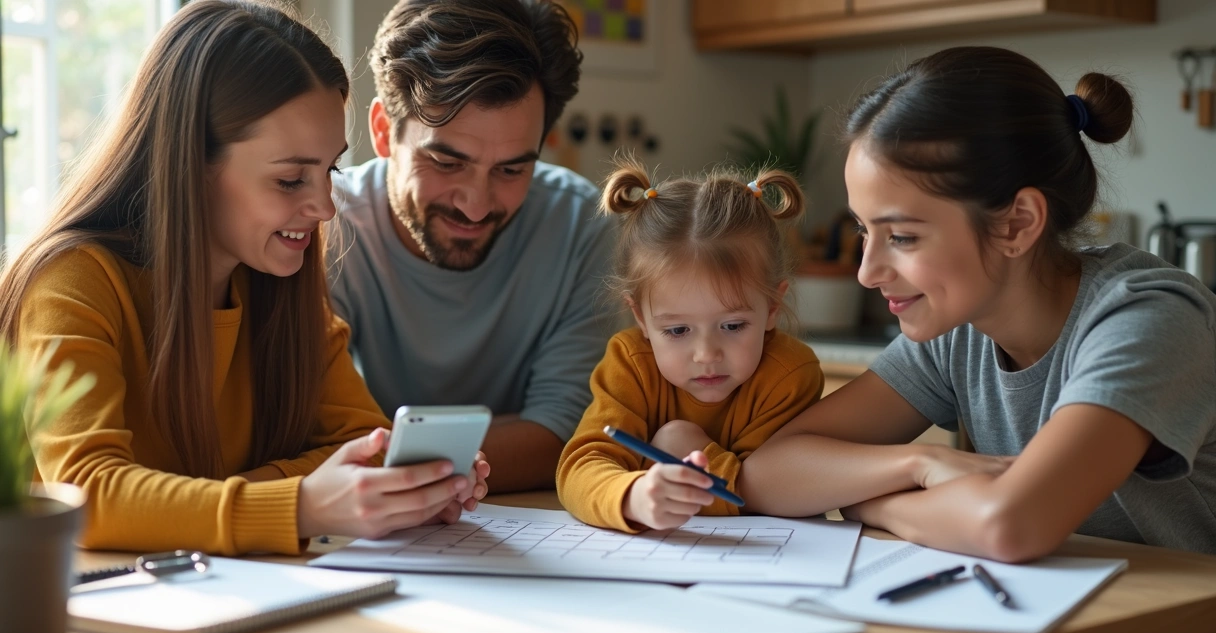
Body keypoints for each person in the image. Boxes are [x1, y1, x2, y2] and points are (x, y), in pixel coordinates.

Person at [0, 0, 488, 556]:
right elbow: (86, 495)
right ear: (191, 165)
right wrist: (301, 502)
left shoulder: (277, 282)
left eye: (328, 170)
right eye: (289, 180)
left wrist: (397, 486)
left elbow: (365, 446)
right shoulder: (70, 282)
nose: (326, 207)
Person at [740, 46, 1216, 561]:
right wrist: (916, 467)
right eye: (863, 229)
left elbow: (1010, 525)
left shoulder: (1147, 319)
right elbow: (765, 473)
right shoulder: (958, 329)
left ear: (1017, 223)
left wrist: (873, 504)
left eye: (900, 236)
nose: (867, 272)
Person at [327, 0, 616, 493]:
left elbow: (569, 437)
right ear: (382, 132)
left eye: (511, 169)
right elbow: (312, 432)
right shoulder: (326, 221)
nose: (477, 207)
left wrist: (395, 462)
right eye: (446, 162)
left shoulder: (580, 225)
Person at [556, 157, 825, 532]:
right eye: (678, 331)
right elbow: (580, 468)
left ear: (773, 308)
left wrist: (681, 447)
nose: (706, 355)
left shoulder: (789, 376)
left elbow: (769, 494)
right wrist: (632, 495)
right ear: (640, 318)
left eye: (732, 325)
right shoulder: (630, 364)